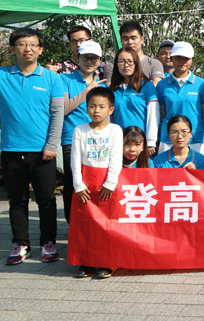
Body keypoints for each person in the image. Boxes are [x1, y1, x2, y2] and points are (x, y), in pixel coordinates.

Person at [0, 28, 64, 265]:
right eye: (21, 44)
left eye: (32, 44)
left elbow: (57, 114)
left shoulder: (52, 78)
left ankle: (48, 243)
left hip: (43, 151)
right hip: (11, 149)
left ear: (40, 49)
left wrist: (51, 145)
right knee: (16, 200)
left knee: (46, 199)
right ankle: (20, 243)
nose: (27, 49)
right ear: (12, 49)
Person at [71, 87, 123, 279]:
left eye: (102, 106)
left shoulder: (115, 130)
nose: (96, 110)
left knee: (106, 224)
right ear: (86, 107)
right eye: (92, 106)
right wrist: (78, 184)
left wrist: (110, 182)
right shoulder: (80, 130)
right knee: (85, 224)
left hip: (106, 185)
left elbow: (116, 157)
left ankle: (106, 261)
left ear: (111, 109)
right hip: (85, 183)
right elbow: (75, 158)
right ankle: (85, 261)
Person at [61, 41, 107, 224]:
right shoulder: (64, 80)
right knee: (73, 182)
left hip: (98, 141)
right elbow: (64, 108)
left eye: (94, 58)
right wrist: (88, 90)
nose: (89, 61)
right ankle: (72, 224)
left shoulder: (104, 85)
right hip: (71, 140)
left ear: (100, 60)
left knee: (95, 182)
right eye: (86, 57)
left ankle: (91, 224)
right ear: (78, 58)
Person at [155, 42, 204, 159]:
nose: (182, 61)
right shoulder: (162, 85)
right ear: (172, 59)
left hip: (195, 138)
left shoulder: (201, 84)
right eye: (178, 57)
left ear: (192, 60)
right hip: (168, 139)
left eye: (186, 58)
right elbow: (162, 114)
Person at [110, 47, 159, 156]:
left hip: (141, 143)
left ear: (136, 64)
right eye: (121, 61)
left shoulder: (147, 85)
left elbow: (153, 114)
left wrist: (151, 141)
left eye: (130, 61)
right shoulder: (113, 89)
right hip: (119, 142)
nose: (126, 65)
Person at [103, 21, 165, 86]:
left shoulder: (154, 64)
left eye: (133, 38)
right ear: (121, 40)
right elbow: (111, 89)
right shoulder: (112, 66)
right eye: (126, 39)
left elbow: (154, 88)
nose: (130, 42)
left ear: (142, 39)